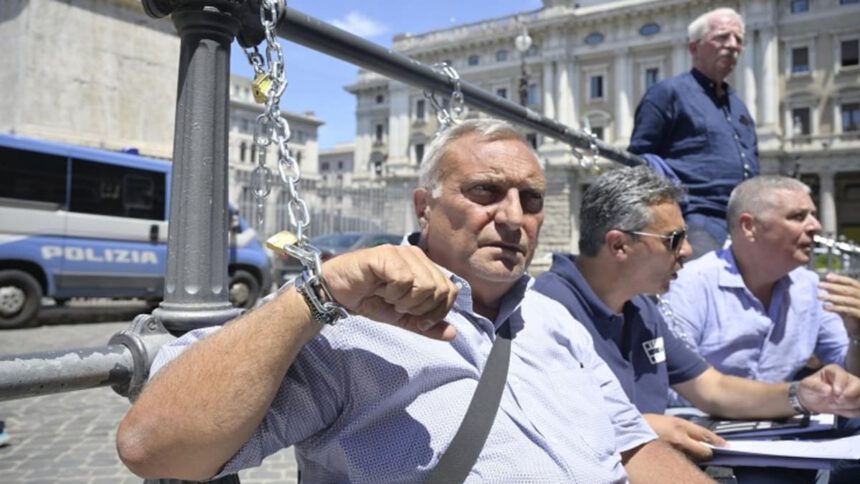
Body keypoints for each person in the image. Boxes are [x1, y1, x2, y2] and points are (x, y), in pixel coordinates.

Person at [116, 119, 709, 482]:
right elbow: (154, 446)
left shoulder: (554, 319)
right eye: (485, 192)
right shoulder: (347, 324)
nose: (512, 218)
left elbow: (633, 450)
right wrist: (319, 293)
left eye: (530, 200)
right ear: (424, 207)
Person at [533, 166, 860, 468]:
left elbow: (713, 388)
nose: (688, 250)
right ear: (619, 245)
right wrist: (638, 427)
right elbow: (541, 421)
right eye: (674, 239)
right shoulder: (545, 309)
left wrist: (801, 394)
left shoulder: (641, 309)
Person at [665, 175, 860, 382]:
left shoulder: (811, 288)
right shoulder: (688, 286)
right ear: (749, 226)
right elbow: (677, 385)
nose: (816, 226)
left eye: (813, 215)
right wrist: (793, 398)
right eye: (798, 216)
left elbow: (850, 378)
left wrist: (857, 335)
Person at [629, 7, 757, 258]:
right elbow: (638, 160)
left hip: (744, 219)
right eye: (722, 37)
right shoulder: (667, 93)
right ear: (694, 47)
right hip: (696, 217)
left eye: (738, 39)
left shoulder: (739, 106)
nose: (732, 45)